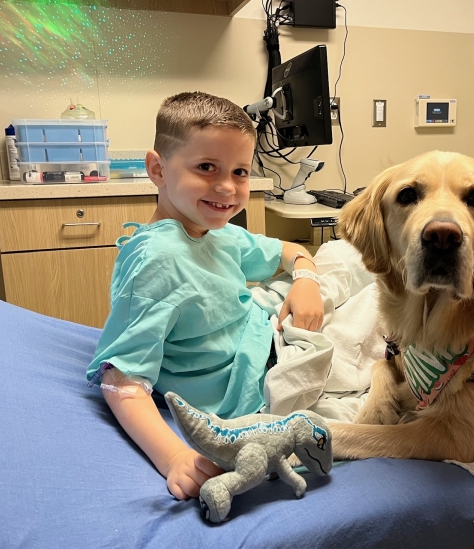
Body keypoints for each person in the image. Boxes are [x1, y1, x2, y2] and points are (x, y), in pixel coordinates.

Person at [86, 92, 324, 501]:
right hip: (256, 378)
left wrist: (306, 279)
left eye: (240, 172)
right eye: (206, 167)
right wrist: (175, 457)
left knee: (335, 258)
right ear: (157, 169)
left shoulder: (219, 233)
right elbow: (120, 380)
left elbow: (288, 251)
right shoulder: (159, 261)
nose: (227, 187)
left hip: (266, 333)